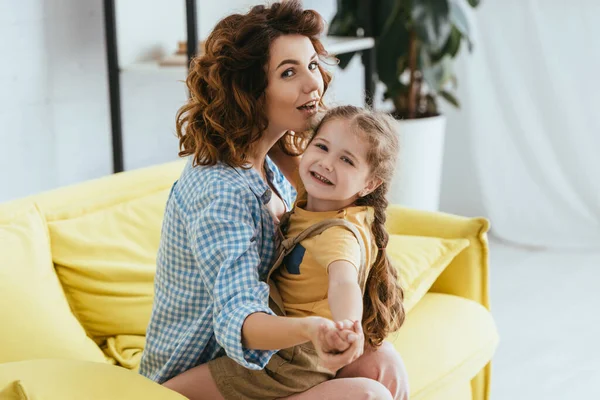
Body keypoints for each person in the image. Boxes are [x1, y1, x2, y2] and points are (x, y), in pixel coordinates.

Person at [139, 1, 409, 399]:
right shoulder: (219, 192)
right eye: (289, 72)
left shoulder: (278, 162)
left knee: (384, 363)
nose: (312, 84)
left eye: (312, 65)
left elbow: (337, 232)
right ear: (249, 92)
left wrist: (346, 326)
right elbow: (240, 320)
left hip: (272, 365)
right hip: (204, 373)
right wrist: (313, 330)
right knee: (368, 395)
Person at [198, 105, 407, 400]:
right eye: (321, 147)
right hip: (302, 357)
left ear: (369, 184)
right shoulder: (320, 200)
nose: (326, 163)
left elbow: (343, 281)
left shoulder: (338, 233)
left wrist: (347, 326)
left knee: (165, 392)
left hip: (287, 363)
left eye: (346, 160)